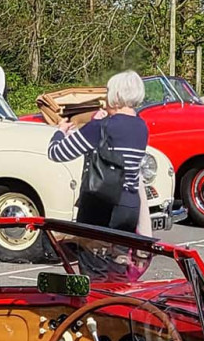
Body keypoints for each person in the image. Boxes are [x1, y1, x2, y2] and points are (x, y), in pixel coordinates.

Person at [46, 70, 149, 233]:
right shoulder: (142, 127)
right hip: (130, 206)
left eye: (108, 92)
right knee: (119, 256)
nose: (105, 98)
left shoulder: (101, 127)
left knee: (90, 255)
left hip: (102, 204)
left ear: (116, 96)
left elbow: (57, 153)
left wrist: (60, 132)